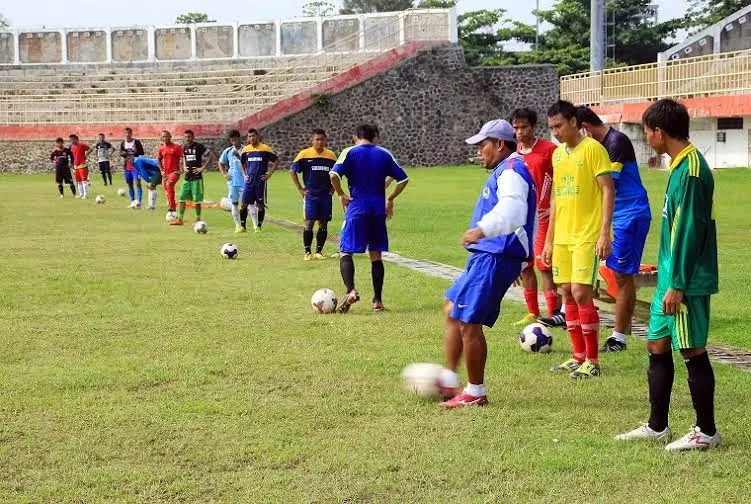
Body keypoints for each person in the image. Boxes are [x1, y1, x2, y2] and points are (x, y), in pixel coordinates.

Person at [616, 99, 720, 451]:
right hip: (669, 278)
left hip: (684, 281)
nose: (647, 137)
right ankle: (658, 425)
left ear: (660, 131)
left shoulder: (691, 170)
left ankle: (706, 431)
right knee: (656, 343)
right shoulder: (677, 166)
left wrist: (677, 283)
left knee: (691, 349)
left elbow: (689, 231)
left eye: (648, 131)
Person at [437, 120, 537, 408]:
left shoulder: (511, 170)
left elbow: (513, 210)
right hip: (489, 254)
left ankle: (475, 391)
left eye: (483, 145)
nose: (480, 151)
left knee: (468, 321)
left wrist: (482, 230)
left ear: (500, 144)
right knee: (451, 307)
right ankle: (448, 378)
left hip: (494, 254)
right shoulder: (505, 170)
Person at [542, 100, 615, 379]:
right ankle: (577, 356)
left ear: (574, 122)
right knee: (566, 293)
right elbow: (557, 198)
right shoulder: (558, 156)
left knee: (582, 292)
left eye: (559, 126)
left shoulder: (594, 150)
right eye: (551, 128)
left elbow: (608, 191)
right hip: (562, 236)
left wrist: (604, 232)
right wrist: (549, 240)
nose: (556, 132)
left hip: (587, 234)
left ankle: (593, 361)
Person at [577, 106, 652, 352]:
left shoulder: (616, 142)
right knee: (616, 272)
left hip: (629, 217)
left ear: (584, 128)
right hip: (618, 217)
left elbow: (607, 186)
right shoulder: (601, 145)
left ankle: (619, 337)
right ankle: (619, 330)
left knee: (622, 275)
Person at [329, 124, 409, 313]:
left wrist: (340, 193)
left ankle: (350, 291)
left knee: (345, 251)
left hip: (357, 209)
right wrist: (389, 199)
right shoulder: (384, 154)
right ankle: (377, 301)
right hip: (377, 211)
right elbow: (403, 179)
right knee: (375, 255)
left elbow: (333, 174)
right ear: (375, 137)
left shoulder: (350, 152)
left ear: (355, 136)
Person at [510, 107, 563, 328]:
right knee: (525, 265)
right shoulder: (513, 154)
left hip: (543, 217)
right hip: (522, 218)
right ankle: (532, 312)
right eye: (516, 128)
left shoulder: (549, 150)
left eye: (524, 127)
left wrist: (555, 205)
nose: (520, 132)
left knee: (544, 265)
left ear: (533, 127)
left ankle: (553, 313)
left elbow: (562, 179)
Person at [290, 129, 337, 260]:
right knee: (309, 223)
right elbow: (293, 171)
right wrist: (300, 188)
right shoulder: (304, 154)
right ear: (312, 140)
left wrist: (334, 187)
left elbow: (337, 172)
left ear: (325, 140)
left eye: (322, 139)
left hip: (325, 195)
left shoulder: (331, 155)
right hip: (311, 195)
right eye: (317, 139)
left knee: (323, 223)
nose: (320, 142)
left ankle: (319, 252)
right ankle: (307, 252)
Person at [170, 130, 213, 226]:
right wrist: (184, 166)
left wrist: (202, 168)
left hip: (196, 178)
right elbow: (184, 157)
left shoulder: (199, 147)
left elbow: (210, 155)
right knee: (181, 198)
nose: (187, 138)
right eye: (186, 137)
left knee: (197, 200)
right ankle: (180, 219)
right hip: (187, 177)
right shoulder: (184, 147)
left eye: (189, 136)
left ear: (193, 137)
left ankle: (198, 219)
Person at [240, 129, 279, 232]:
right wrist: (244, 175)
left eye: (253, 136)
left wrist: (269, 174)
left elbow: (276, 160)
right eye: (249, 136)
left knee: (260, 205)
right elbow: (242, 163)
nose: (252, 138)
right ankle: (243, 227)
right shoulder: (246, 150)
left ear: (257, 136)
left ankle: (259, 226)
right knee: (244, 204)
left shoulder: (265, 149)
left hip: (260, 182)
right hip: (249, 182)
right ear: (248, 138)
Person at [218, 130, 247, 233]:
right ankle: (238, 226)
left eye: (235, 140)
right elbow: (220, 163)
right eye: (232, 140)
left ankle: (245, 224)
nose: (234, 142)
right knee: (234, 203)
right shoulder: (228, 151)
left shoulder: (246, 150)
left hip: (245, 181)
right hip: (233, 182)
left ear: (239, 138)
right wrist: (224, 174)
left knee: (246, 204)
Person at [157, 130, 184, 214]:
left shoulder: (177, 147)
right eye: (163, 136)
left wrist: (182, 169)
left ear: (170, 136)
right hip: (166, 174)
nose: (165, 138)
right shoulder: (161, 149)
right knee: (167, 191)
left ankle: (172, 208)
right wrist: (161, 170)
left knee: (169, 184)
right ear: (161, 138)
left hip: (175, 172)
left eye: (166, 136)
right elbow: (158, 159)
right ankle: (172, 207)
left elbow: (183, 157)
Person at [120, 128, 145, 208]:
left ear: (131, 133)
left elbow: (142, 152)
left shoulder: (136, 142)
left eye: (129, 133)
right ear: (124, 134)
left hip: (135, 166)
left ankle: (139, 202)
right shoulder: (123, 143)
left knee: (137, 183)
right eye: (126, 133)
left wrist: (135, 151)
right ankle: (133, 201)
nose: (128, 134)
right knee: (130, 184)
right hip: (127, 166)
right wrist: (123, 153)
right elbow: (121, 153)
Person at [68, 134, 91, 199]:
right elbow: (73, 156)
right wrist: (71, 163)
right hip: (76, 166)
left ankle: (85, 195)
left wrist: (86, 155)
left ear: (77, 139)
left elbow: (90, 149)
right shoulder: (72, 147)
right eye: (71, 140)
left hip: (82, 165)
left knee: (84, 180)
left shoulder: (82, 145)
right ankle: (81, 194)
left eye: (73, 139)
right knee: (78, 181)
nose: (72, 141)